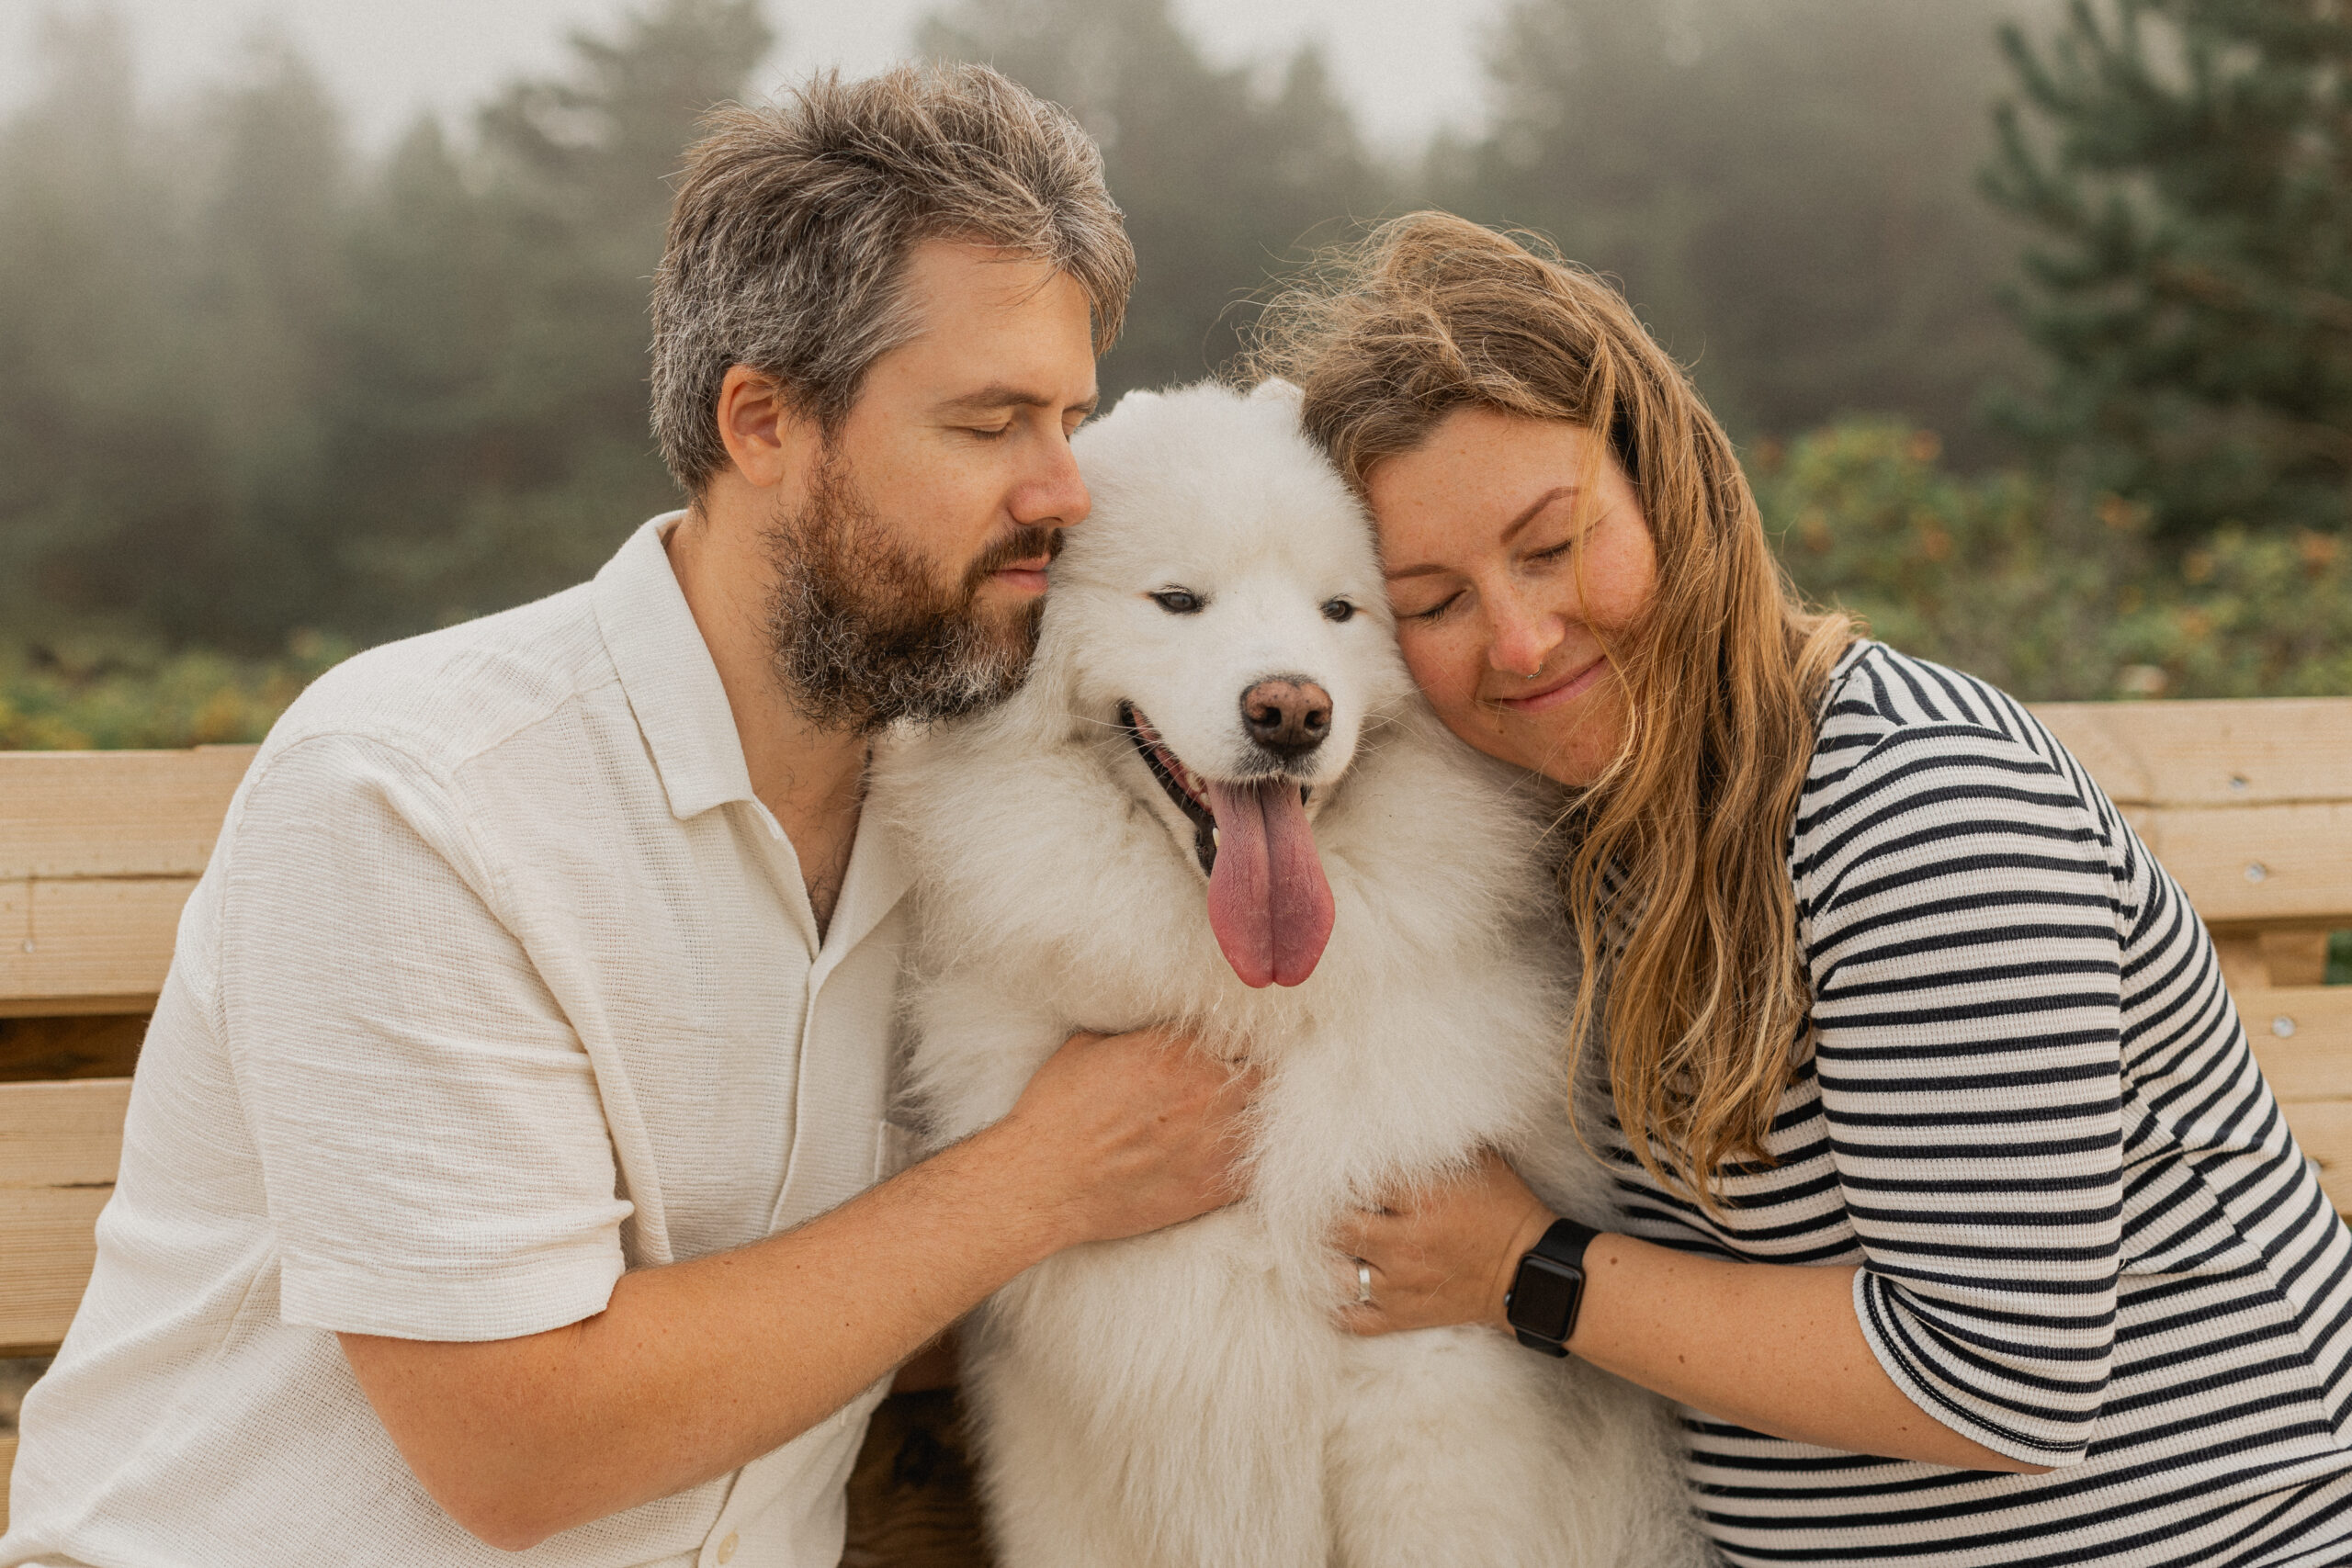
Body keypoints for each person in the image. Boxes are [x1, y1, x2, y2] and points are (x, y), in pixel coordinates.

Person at [1, 65, 1254, 1567]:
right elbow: (520, 1444)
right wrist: (1040, 1181)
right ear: (762, 422)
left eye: (1071, 418)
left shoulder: (976, 818)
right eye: (991, 425)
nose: (1066, 491)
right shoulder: (412, 798)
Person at [1261, 212, 2352, 1566]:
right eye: (1435, 600)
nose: (1521, 638)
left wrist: (1522, 1273)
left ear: (1671, 486)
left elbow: (2003, 1377)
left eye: (1552, 546)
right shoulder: (1571, 838)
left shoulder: (1907, 806)